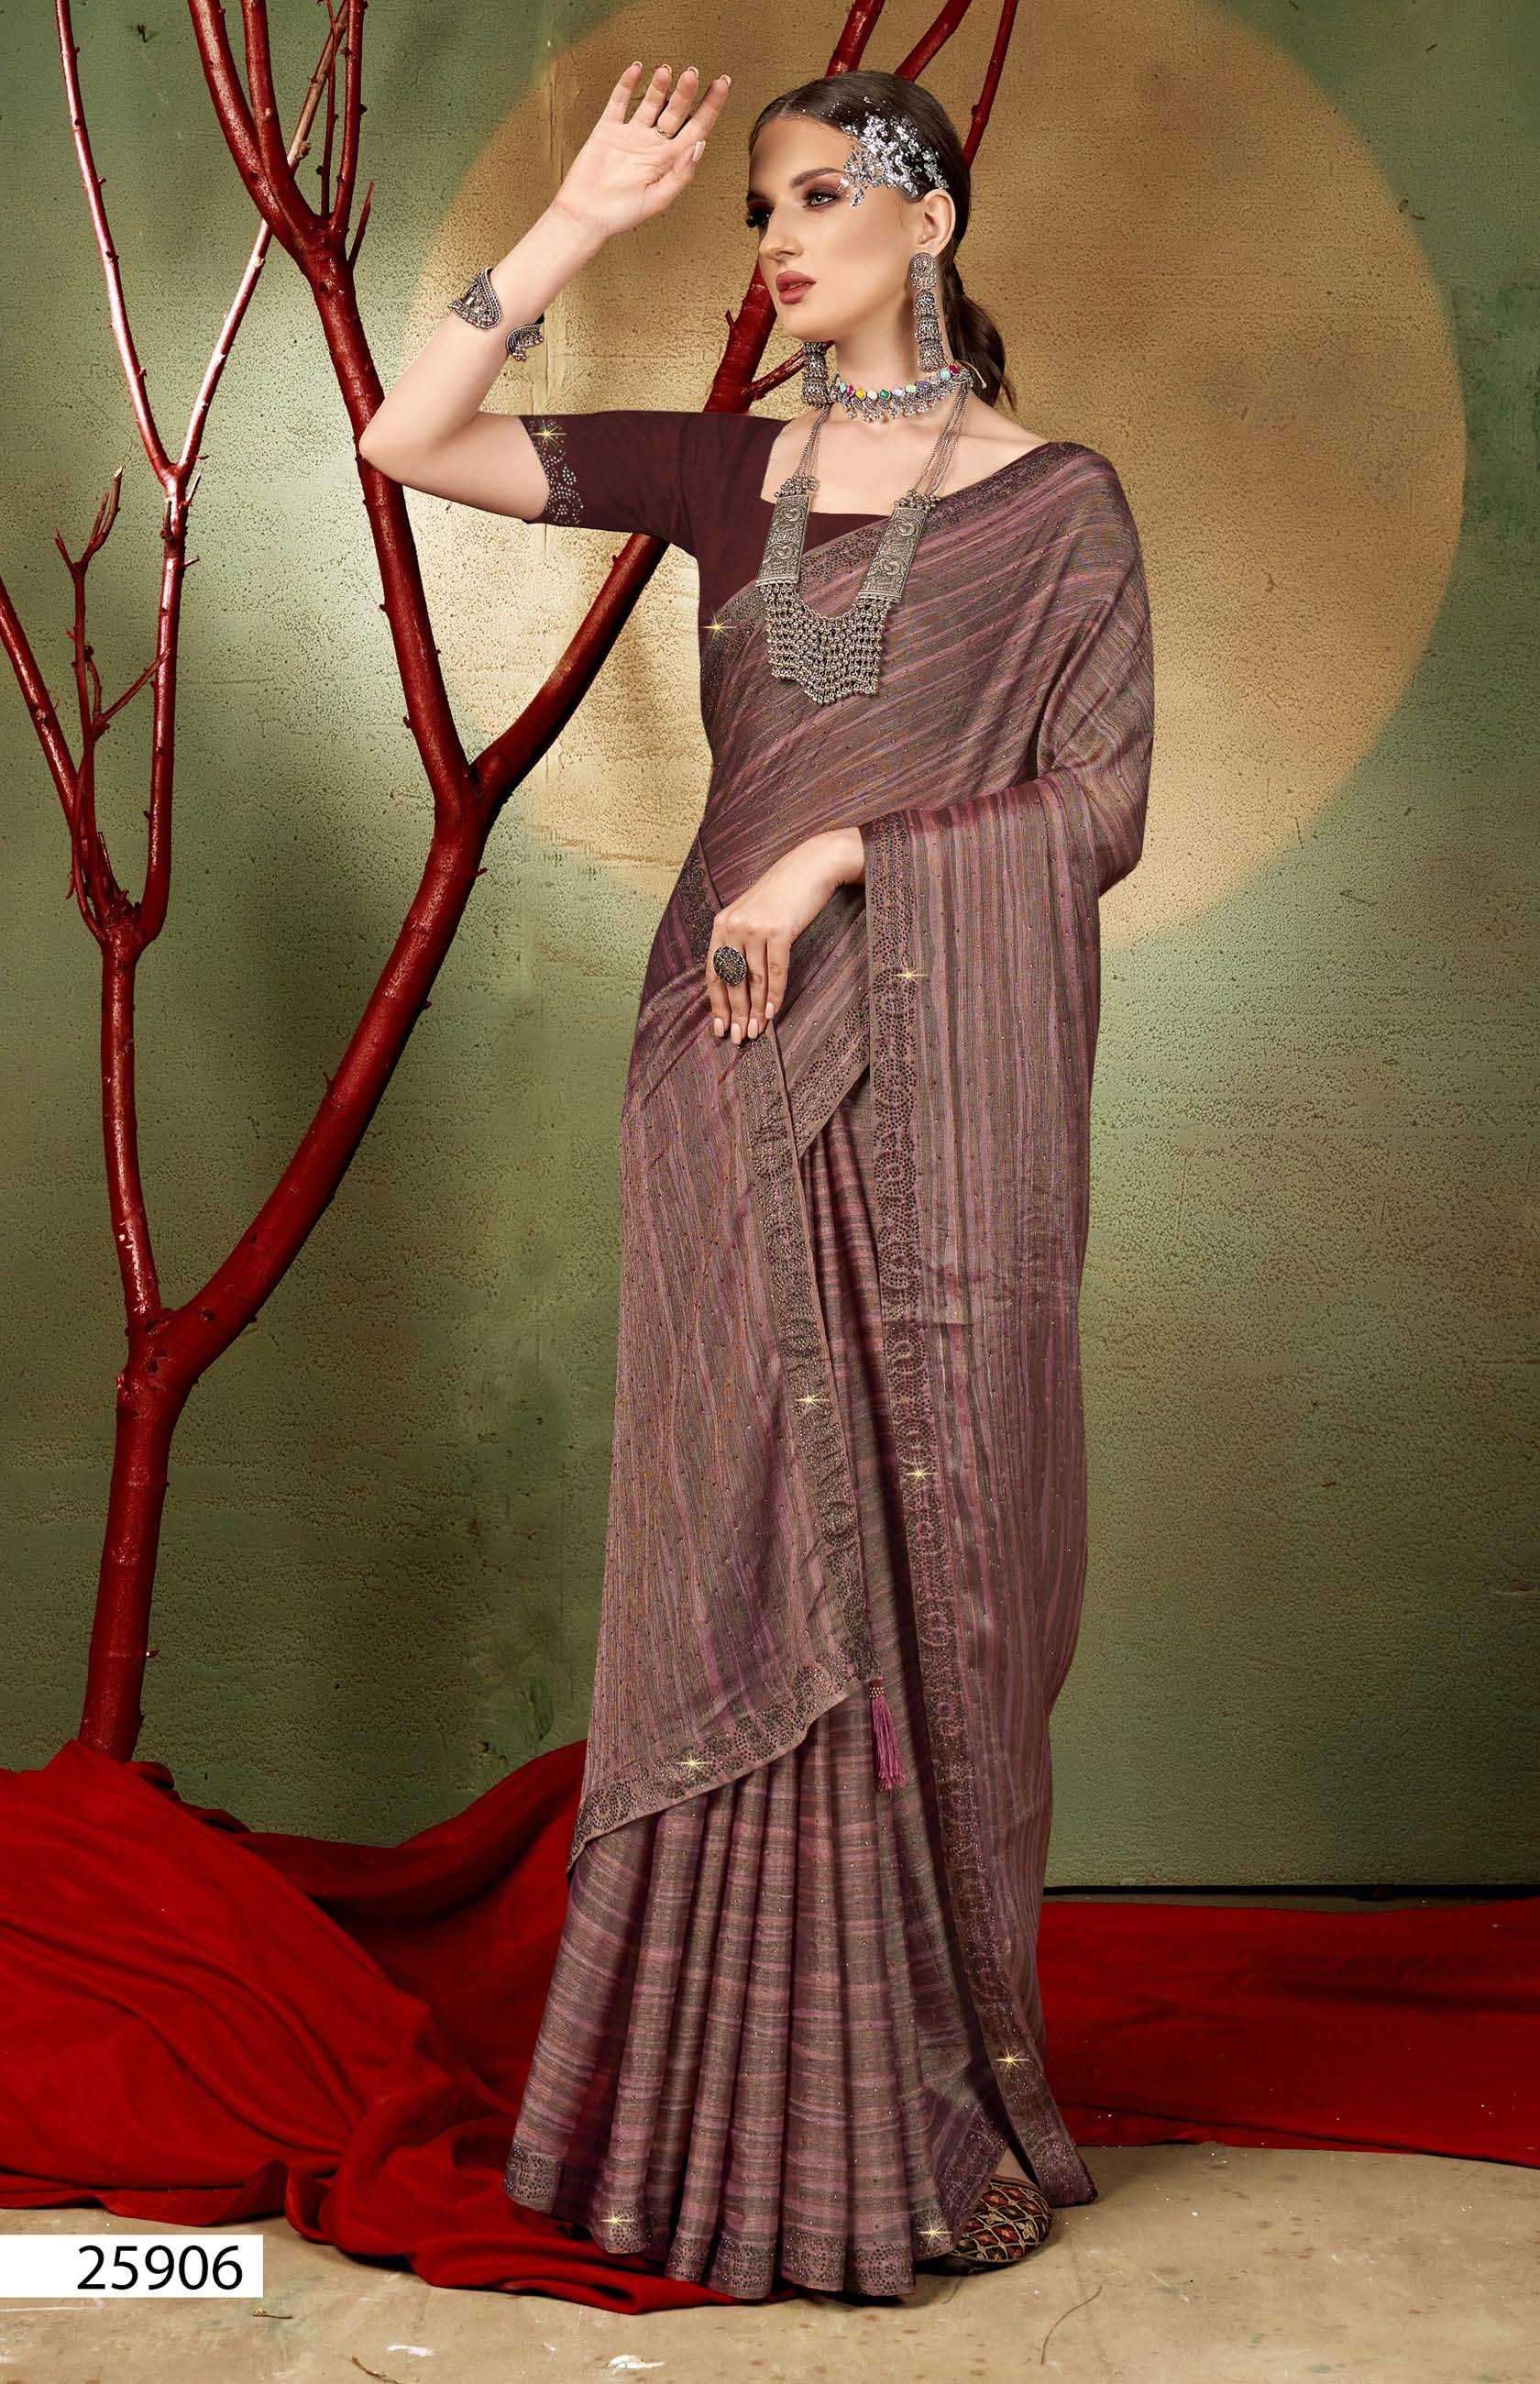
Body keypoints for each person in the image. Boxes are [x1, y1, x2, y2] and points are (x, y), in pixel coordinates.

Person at [358, 60, 1154, 2301]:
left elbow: (1100, 805)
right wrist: (575, 230)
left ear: (932, 214)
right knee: (740, 1539)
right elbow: (408, 440)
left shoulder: (1061, 505)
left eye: (819, 196)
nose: (783, 239)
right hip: (723, 1067)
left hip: (932, 1078)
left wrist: (838, 854)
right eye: (760, 209)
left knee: (947, 1546)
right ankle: (726, 2111)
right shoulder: (731, 469)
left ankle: (932, 2103)